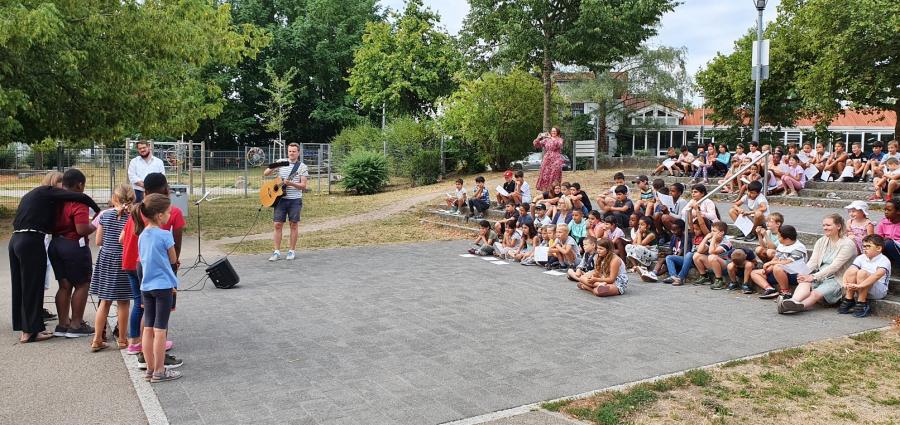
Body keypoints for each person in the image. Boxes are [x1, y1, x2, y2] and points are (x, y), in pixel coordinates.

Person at [9, 178, 100, 343]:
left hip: (15, 239)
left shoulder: (36, 196)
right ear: (55, 184)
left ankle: (26, 327)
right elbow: (82, 198)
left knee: (21, 286)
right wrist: (100, 212)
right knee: (33, 286)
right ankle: (30, 332)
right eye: (61, 185)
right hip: (31, 240)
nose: (63, 189)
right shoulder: (48, 192)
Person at [121, 173, 183, 359]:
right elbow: (176, 245)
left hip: (134, 263)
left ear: (145, 190)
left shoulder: (139, 209)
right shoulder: (169, 212)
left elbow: (122, 239)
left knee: (140, 305)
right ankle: (157, 351)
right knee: (159, 314)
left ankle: (136, 342)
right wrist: (173, 266)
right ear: (166, 189)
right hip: (155, 268)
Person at [133, 194, 183, 382]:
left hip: (146, 286)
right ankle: (160, 370)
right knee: (160, 329)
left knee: (148, 327)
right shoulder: (165, 235)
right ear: (160, 215)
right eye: (168, 212)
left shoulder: (142, 235)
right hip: (163, 287)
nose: (170, 215)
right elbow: (173, 259)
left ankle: (150, 369)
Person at [49, 169, 98, 338]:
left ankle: (63, 324)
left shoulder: (55, 200)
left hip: (55, 243)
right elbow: (81, 229)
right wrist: (96, 223)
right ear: (79, 185)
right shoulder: (78, 201)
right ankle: (76, 325)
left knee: (64, 285)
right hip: (73, 245)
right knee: (82, 284)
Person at [777, 214, 857, 314]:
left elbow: (835, 266)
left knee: (814, 293)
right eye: (824, 225)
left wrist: (813, 277)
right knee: (805, 281)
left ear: (838, 226)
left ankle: (798, 307)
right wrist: (803, 273)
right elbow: (813, 261)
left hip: (837, 279)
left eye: (828, 225)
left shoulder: (848, 244)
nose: (825, 228)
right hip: (821, 275)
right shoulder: (821, 241)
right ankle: (792, 301)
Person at [89, 184, 135, 352]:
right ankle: (122, 339)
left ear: (114, 198)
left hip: (107, 259)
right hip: (124, 259)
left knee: (105, 300)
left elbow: (98, 241)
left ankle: (97, 339)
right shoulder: (133, 216)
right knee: (123, 301)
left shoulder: (105, 215)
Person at [264, 143, 309, 262]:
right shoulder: (281, 162)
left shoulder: (302, 167)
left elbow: (304, 186)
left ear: (298, 153)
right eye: (289, 151)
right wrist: (275, 166)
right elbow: (266, 173)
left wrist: (291, 183)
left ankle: (291, 251)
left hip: (295, 200)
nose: (291, 153)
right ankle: (276, 252)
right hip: (280, 199)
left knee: (293, 224)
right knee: (277, 224)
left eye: (294, 151)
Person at [836, 234, 890, 318]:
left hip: (878, 291)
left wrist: (860, 286)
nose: (865, 248)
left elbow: (876, 275)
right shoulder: (861, 257)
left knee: (862, 273)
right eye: (864, 246)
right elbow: (849, 271)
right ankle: (849, 300)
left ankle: (862, 303)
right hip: (860, 287)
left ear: (878, 248)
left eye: (868, 246)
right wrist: (844, 283)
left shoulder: (884, 260)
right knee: (852, 271)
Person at [750, 225, 808, 299]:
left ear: (787, 239)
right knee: (754, 273)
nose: (778, 238)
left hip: (794, 275)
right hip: (778, 274)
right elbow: (776, 258)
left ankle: (785, 292)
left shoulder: (799, 247)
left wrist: (770, 263)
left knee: (777, 267)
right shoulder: (782, 245)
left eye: (779, 237)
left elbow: (787, 262)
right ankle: (770, 289)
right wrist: (769, 268)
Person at [693, 221, 733, 289]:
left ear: (722, 232)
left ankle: (719, 280)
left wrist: (713, 238)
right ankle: (704, 276)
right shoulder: (712, 241)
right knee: (696, 255)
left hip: (726, 266)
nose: (711, 233)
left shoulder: (726, 243)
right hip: (714, 265)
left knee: (712, 257)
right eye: (711, 231)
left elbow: (712, 252)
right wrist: (706, 238)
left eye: (714, 231)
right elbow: (699, 250)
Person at [532, 127, 565, 192]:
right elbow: (536, 145)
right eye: (552, 131)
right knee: (545, 174)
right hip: (547, 159)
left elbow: (557, 145)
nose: (553, 132)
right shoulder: (546, 140)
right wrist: (538, 138)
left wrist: (551, 138)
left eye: (555, 131)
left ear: (557, 132)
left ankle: (554, 190)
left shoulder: (560, 139)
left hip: (556, 159)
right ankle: (545, 191)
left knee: (554, 174)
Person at [875, 198, 900, 267]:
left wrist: (892, 241)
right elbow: (879, 237)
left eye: (889, 210)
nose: (886, 212)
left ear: (898, 211)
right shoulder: (883, 222)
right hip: (887, 248)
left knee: (889, 244)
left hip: (897, 248)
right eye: (885, 209)